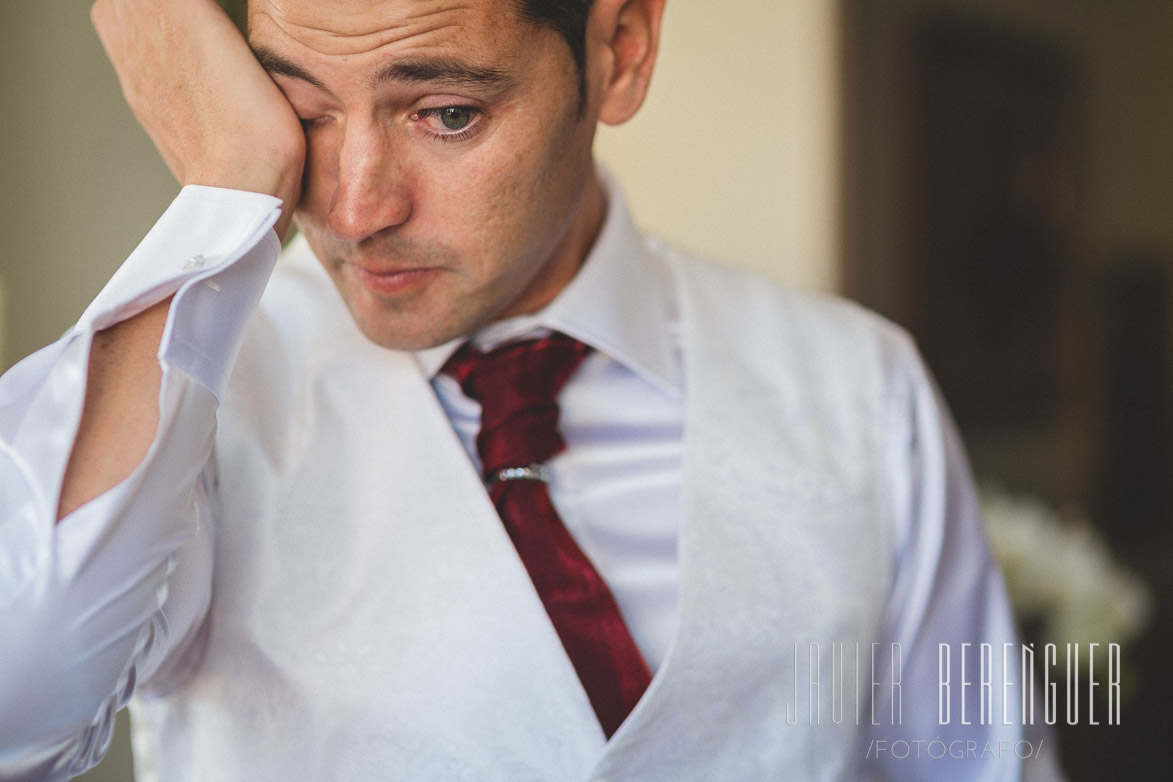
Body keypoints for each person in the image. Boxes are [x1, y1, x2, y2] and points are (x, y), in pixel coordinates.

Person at [0, 1, 1061, 780]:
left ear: (620, 50)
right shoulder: (192, 389)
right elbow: (19, 707)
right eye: (301, 109)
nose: (357, 206)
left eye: (448, 113)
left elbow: (980, 762)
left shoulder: (860, 386)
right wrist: (223, 186)